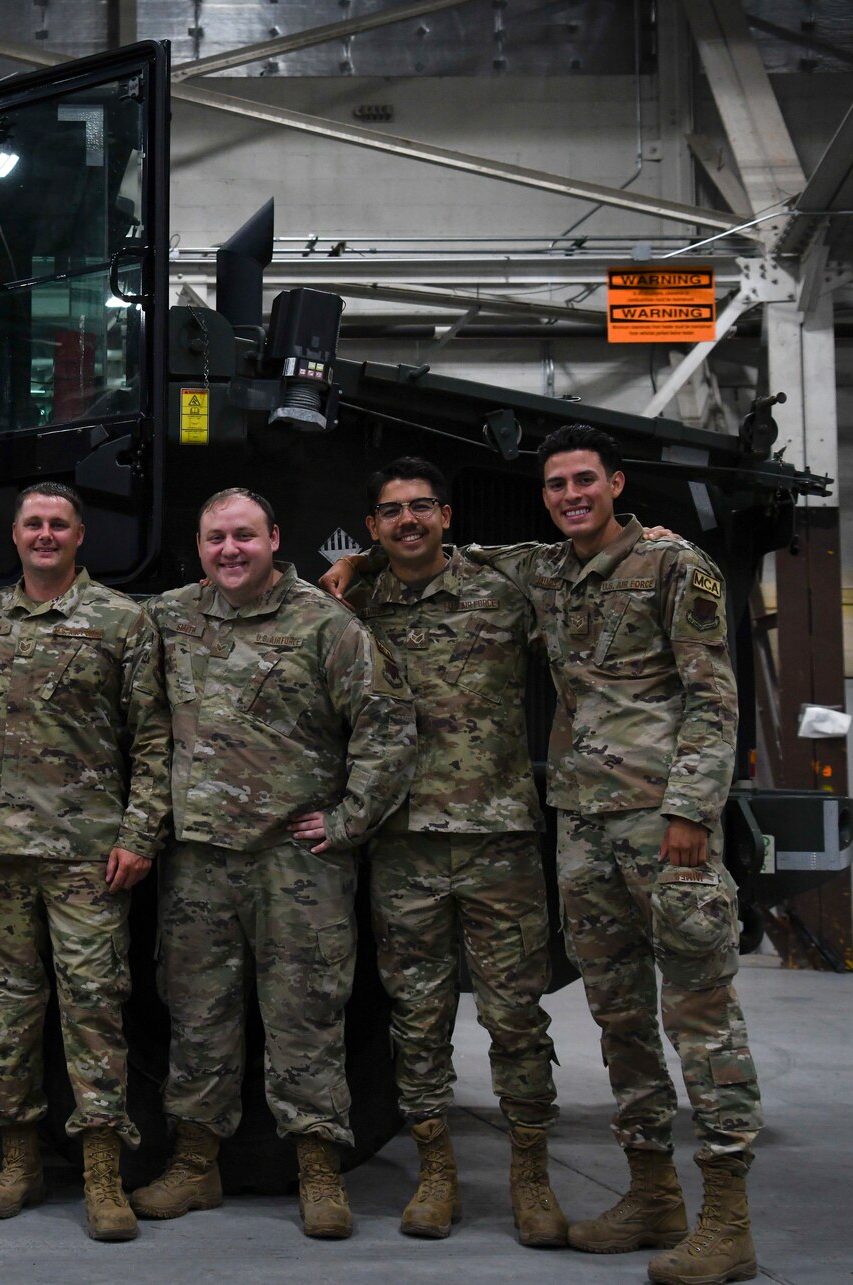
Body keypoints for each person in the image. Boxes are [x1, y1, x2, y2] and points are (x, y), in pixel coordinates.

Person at [323, 426, 760, 1285]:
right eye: (557, 485)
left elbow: (714, 693)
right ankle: (651, 1196)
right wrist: (356, 568)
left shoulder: (674, 566)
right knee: (621, 1021)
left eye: (584, 481)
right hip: (580, 829)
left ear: (616, 484)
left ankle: (729, 1220)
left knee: (701, 1021)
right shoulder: (546, 573)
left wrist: (692, 808)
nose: (570, 495)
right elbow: (423, 552)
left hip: (659, 826)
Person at [130, 487, 415, 1241]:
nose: (230, 550)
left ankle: (317, 1167)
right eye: (216, 537)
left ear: (275, 538)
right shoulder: (168, 617)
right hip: (198, 863)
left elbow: (387, 724)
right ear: (199, 546)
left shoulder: (324, 623)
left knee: (307, 1014)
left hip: (298, 864)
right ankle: (195, 1165)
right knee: (197, 1016)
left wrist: (352, 818)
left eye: (244, 536)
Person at [337, 457, 565, 1244]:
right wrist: (351, 569)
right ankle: (437, 1173)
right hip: (403, 844)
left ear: (446, 515)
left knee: (516, 1017)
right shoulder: (356, 602)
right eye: (391, 511)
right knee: (417, 1017)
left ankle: (531, 1176)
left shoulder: (503, 591)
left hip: (499, 840)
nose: (408, 520)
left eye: (422, 506)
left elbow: (582, 560)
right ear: (372, 527)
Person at [0, 483, 169, 1242]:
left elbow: (152, 736)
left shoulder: (120, 621)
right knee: (3, 1012)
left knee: (94, 1007)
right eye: (33, 524)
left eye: (58, 524)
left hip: (86, 857)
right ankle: (17, 1159)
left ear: (81, 535)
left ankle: (101, 1171)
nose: (45, 534)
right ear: (15, 535)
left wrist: (140, 831)